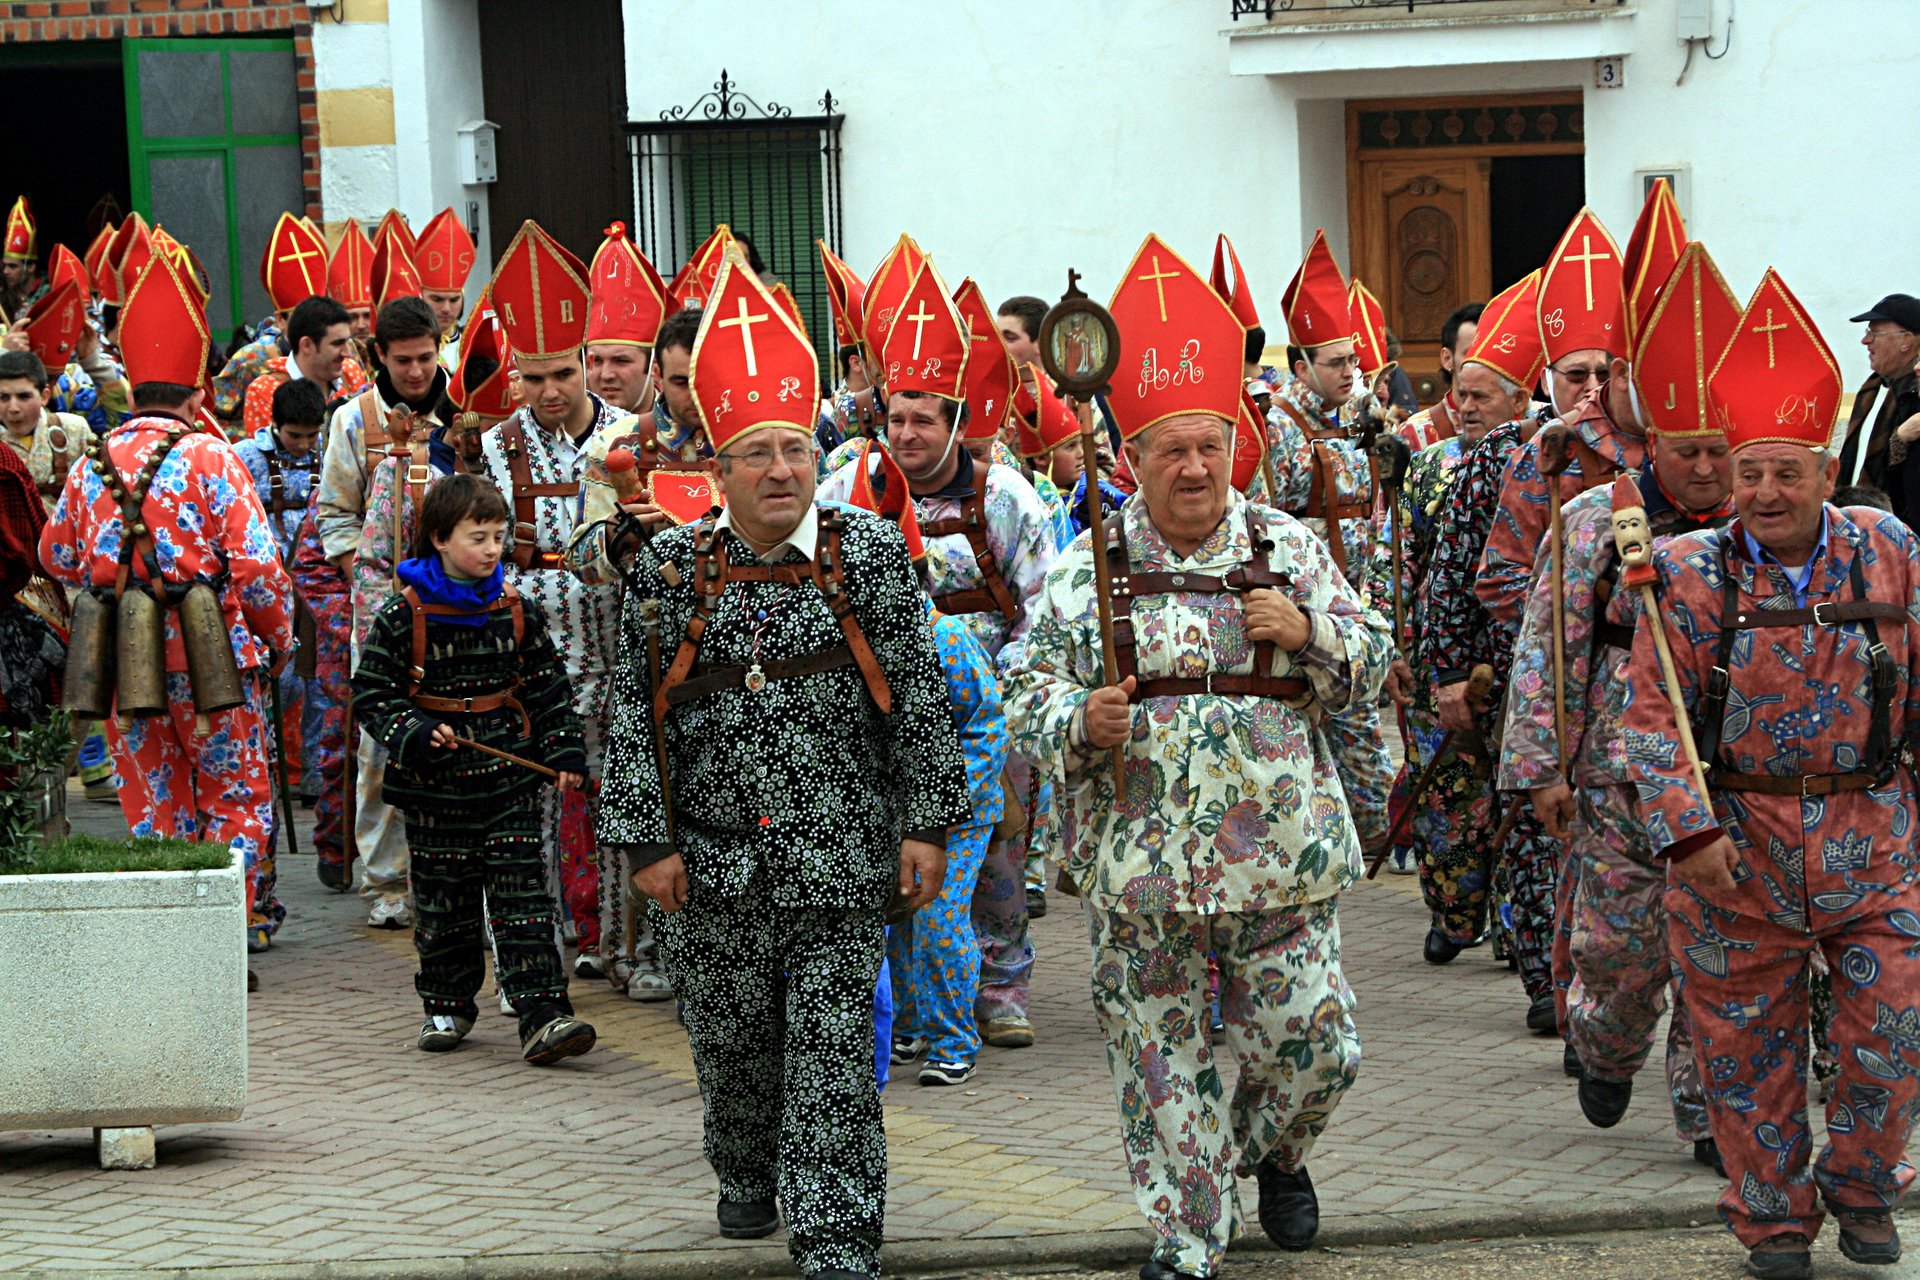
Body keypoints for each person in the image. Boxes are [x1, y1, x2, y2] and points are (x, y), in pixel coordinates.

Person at [1006, 234, 1387, 1279]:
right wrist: (1079, 720)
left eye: (1208, 446)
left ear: (1233, 442)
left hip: (1285, 857)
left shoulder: (1288, 549)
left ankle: (1276, 1147)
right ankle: (1185, 1233)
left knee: (1318, 1043)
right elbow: (1023, 690)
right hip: (1140, 862)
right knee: (1160, 1058)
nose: (1191, 467)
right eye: (1169, 448)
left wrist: (1310, 635)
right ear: (1132, 455)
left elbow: (1376, 653)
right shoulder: (1093, 567)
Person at [598, 252, 971, 1280]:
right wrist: (645, 841)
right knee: (732, 1046)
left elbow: (920, 698)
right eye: (756, 453)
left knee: (836, 1059)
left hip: (843, 863)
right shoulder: (672, 569)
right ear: (717, 470)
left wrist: (927, 823)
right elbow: (632, 711)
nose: (780, 472)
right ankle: (743, 1163)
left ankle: (839, 1232)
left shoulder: (871, 556)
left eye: (796, 450)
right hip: (711, 868)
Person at [1624, 268, 1919, 1280]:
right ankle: (1773, 1220)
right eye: (1749, 472)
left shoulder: (1888, 552)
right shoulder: (1690, 570)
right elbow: (1653, 716)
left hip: (1873, 839)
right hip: (1733, 852)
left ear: (1826, 469)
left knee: (1892, 1030)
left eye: (1785, 473)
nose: (1763, 493)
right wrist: (1687, 832)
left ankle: (1865, 1182)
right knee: (1744, 1058)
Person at [1501, 243, 1739, 1173]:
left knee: (1719, 948)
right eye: (1691, 452)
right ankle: (1606, 1043)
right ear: (1654, 442)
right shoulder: (1598, 518)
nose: (1713, 471)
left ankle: (1707, 1112)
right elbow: (1546, 650)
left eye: (1724, 450)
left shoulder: (1760, 529)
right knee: (1622, 950)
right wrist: (1539, 769)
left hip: (1731, 776)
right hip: (1614, 773)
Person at [817, 259, 1059, 1053]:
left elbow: (1042, 609)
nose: (909, 437)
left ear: (957, 422)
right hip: (875, 706)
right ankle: (914, 1002)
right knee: (892, 855)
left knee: (993, 857)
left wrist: (1009, 697)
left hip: (984, 710)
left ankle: (1001, 986)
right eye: (898, 420)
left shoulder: (1007, 498)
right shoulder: (846, 481)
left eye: (926, 421)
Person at [38, 251, 294, 954]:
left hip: (124, 660)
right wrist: (279, 639)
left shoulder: (91, 461)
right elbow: (261, 569)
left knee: (155, 799)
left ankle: (176, 943)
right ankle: (226, 934)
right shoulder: (215, 457)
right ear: (197, 391)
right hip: (217, 658)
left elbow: (53, 555)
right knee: (235, 798)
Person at [350, 473, 597, 1064]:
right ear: (438, 538)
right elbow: (372, 694)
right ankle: (447, 1005)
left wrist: (562, 753)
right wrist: (412, 730)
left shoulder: (516, 611)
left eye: (498, 537)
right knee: (444, 905)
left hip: (508, 784)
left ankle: (544, 1015)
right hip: (435, 792)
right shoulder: (400, 614)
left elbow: (549, 692)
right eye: (477, 536)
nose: (491, 549)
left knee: (524, 901)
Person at [478, 221, 626, 972]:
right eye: (532, 378)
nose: (549, 392)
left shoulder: (631, 437)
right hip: (531, 665)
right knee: (529, 813)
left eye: (561, 374)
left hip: (617, 655)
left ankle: (618, 943)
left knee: (617, 807)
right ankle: (534, 953)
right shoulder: (492, 448)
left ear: (584, 363)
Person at [844, 441, 1010, 1086]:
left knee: (938, 920)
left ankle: (954, 1036)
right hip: (882, 806)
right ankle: (911, 1023)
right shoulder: (842, 640)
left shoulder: (943, 637)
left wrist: (945, 795)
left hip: (956, 811)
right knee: (895, 919)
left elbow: (986, 721)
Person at [1414, 272, 1548, 971]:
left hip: (1540, 666)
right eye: (1459, 393)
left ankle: (1525, 937)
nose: (1463, 407)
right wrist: (1434, 658)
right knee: (1470, 801)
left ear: (1521, 398)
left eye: (1480, 395)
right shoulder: (1438, 465)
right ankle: (1469, 917)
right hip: (1475, 661)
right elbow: (1427, 565)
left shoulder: (1567, 460)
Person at [1253, 230, 1395, 862]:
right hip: (1301, 615)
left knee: (1361, 744)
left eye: (1353, 361)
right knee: (1350, 746)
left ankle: (1365, 845)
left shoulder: (1357, 424)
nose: (1349, 373)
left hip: (1354, 609)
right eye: (1335, 363)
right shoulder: (1281, 428)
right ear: (1301, 365)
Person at [313, 293, 451, 928]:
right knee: (380, 736)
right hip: (381, 599)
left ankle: (449, 872)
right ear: (379, 358)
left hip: (456, 599)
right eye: (404, 362)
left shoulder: (468, 413)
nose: (417, 373)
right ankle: (386, 878)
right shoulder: (350, 420)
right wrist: (363, 581)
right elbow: (335, 514)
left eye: (425, 358)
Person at [235, 376, 330, 925]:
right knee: (282, 682)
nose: (303, 445)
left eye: (309, 436)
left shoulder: (328, 448)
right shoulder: (246, 456)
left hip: (315, 590)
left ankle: (314, 771)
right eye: (294, 436)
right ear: (275, 426)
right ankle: (273, 771)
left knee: (319, 682)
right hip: (265, 591)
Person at [1834, 293, 1920, 522]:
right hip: (1850, 521)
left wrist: (1899, 438)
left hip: (1900, 531)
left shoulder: (1915, 398)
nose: (1865, 341)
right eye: (1867, 332)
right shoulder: (1872, 389)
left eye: (1874, 333)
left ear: (1906, 341)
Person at [238, 294, 367, 441]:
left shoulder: (351, 372)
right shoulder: (265, 391)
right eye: (337, 343)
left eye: (347, 342)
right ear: (306, 345)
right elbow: (269, 458)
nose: (348, 353)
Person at [1397, 302, 1483, 451]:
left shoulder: (1529, 419)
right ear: (1447, 358)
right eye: (1472, 354)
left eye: (1490, 353)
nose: (1484, 363)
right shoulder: (1415, 432)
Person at [413, 208, 475, 368]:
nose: (446, 309)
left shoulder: (473, 345)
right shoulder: (407, 348)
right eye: (437, 299)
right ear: (420, 295)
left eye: (454, 299)